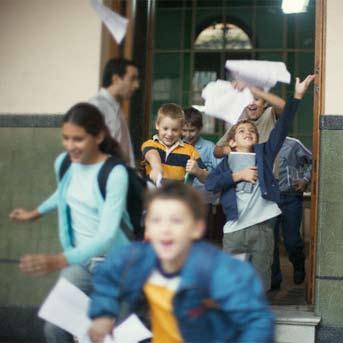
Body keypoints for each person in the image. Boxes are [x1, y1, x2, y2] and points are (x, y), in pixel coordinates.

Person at [87, 182, 274, 343]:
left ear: (196, 228)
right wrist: (103, 314)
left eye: (176, 221)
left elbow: (257, 321)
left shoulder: (222, 271)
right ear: (147, 229)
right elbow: (107, 275)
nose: (165, 229)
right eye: (156, 220)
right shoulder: (137, 257)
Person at [9, 103, 132, 343]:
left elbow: (107, 236)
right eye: (65, 138)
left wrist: (58, 260)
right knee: (54, 329)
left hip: (117, 267)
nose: (70, 146)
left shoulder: (115, 173)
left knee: (116, 337)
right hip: (81, 263)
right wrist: (35, 212)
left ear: (98, 136)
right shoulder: (64, 163)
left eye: (78, 139)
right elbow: (64, 193)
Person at [205, 75, 315, 290]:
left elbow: (283, 125)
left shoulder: (264, 154)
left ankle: (260, 310)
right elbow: (211, 183)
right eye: (242, 131)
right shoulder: (228, 161)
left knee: (261, 279)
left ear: (257, 139)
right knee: (232, 280)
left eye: (252, 132)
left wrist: (298, 95)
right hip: (234, 230)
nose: (248, 132)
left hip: (263, 227)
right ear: (232, 141)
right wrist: (238, 176)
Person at [271, 136, 312, 290]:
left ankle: (299, 263)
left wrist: (305, 179)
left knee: (292, 240)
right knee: (270, 241)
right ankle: (274, 281)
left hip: (290, 197)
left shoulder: (293, 144)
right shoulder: (259, 142)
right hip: (268, 198)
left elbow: (314, 161)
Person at [182, 107, 224, 244]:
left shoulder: (209, 148)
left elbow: (220, 174)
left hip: (203, 201)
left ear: (200, 129)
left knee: (202, 236)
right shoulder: (178, 147)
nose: (188, 135)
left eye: (192, 130)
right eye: (184, 130)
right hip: (182, 199)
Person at [214, 80, 286, 159]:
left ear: (265, 103)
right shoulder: (239, 122)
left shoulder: (270, 114)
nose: (251, 103)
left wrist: (251, 88)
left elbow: (283, 106)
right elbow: (216, 151)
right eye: (248, 99)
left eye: (256, 99)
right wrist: (230, 149)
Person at [89, 58, 140, 167]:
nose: (136, 85)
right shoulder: (96, 106)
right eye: (132, 79)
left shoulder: (116, 107)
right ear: (116, 79)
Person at [141, 103, 207, 184]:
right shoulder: (150, 144)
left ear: (181, 129)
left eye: (175, 130)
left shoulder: (190, 150)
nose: (169, 134)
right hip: (153, 195)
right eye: (165, 128)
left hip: (177, 196)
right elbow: (151, 154)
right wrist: (156, 167)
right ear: (157, 125)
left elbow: (207, 179)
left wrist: (198, 171)